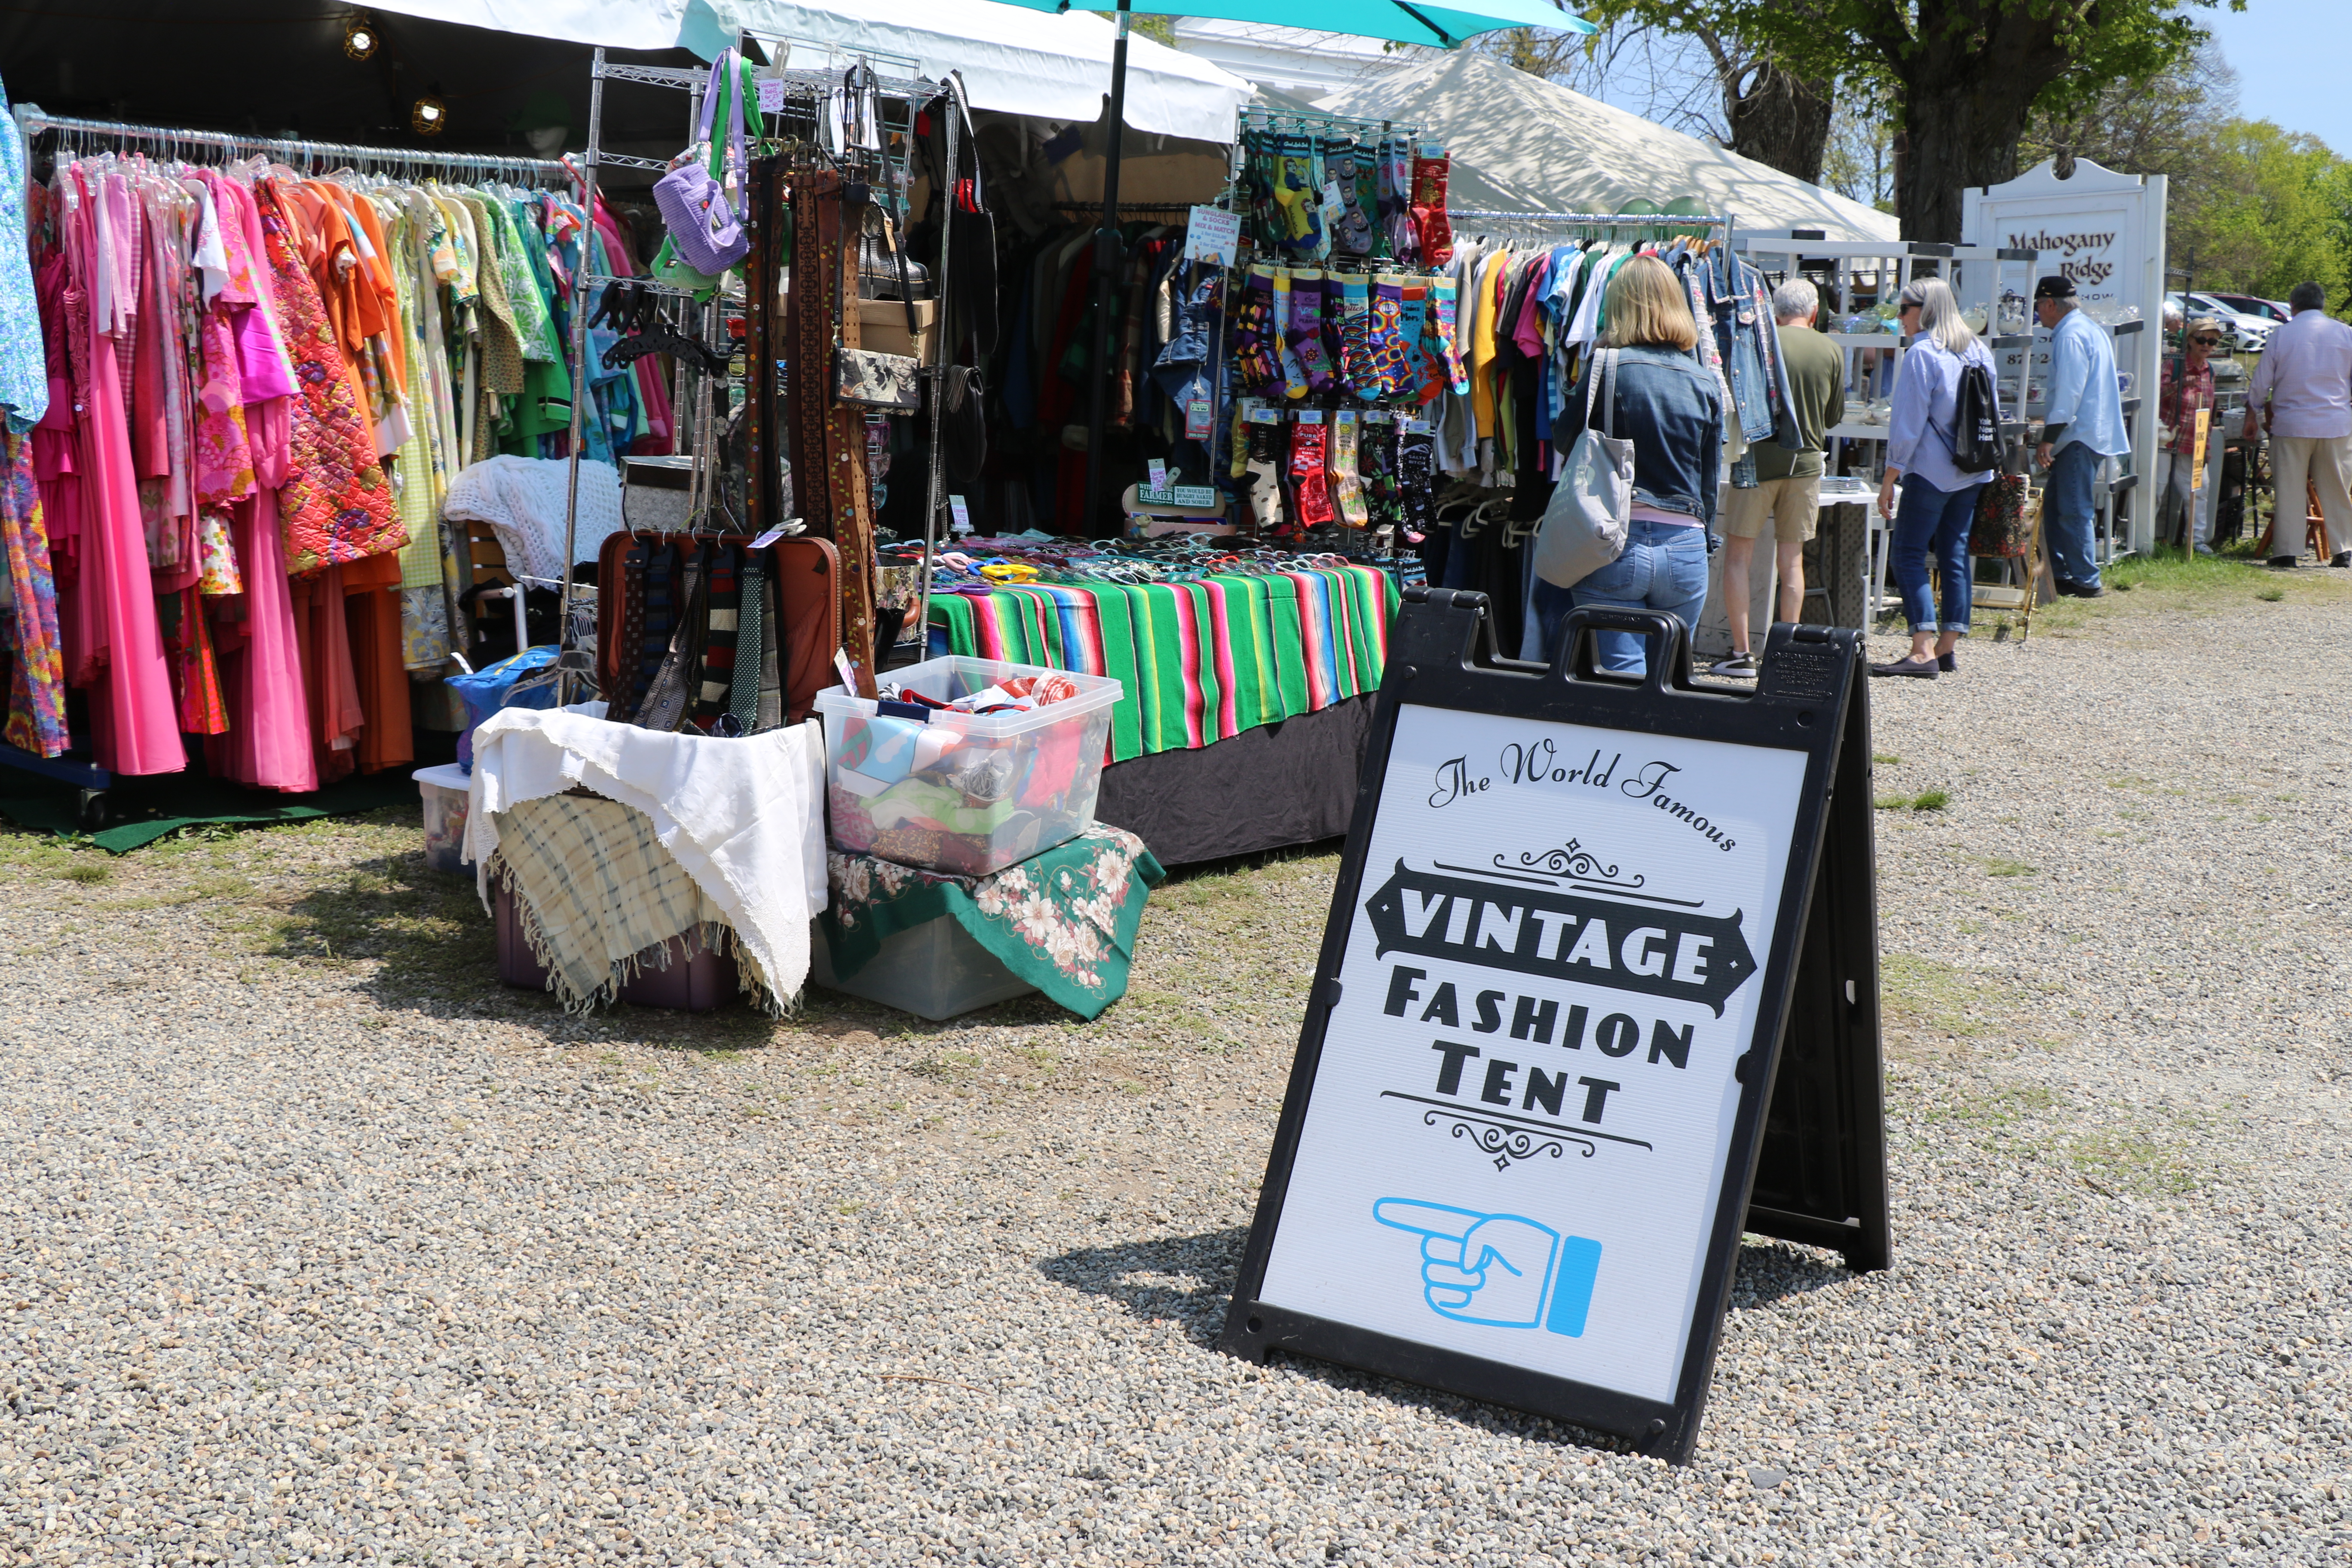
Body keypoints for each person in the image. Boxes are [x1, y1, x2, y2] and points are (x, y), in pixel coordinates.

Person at [1536, 253, 1723, 677]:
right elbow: (1709, 479)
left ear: (1619, 306)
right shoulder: (1705, 380)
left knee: (1622, 678)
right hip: (1687, 546)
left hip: (1613, 541)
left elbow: (1566, 439)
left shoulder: (1608, 367)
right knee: (1673, 679)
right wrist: (1706, 538)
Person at [1712, 278, 1845, 678]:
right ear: (1815, 312)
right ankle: (1785, 652)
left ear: (1774, 310)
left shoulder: (1760, 342)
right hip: (1804, 464)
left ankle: (1741, 653)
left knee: (1738, 556)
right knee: (1792, 562)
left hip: (1756, 459)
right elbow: (1834, 417)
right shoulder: (1831, 349)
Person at [1872, 278, 2000, 680]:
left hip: (1932, 470)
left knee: (1908, 554)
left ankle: (1922, 648)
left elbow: (1908, 423)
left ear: (1924, 310)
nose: (1899, 317)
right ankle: (1946, 647)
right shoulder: (1979, 349)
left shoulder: (1924, 354)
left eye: (1904, 308)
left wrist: (1890, 475)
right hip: (1974, 468)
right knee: (1955, 554)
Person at [2033, 275, 2130, 597]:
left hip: (2079, 434)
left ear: (2050, 304)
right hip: (2087, 430)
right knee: (2059, 507)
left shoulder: (2071, 335)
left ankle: (2087, 579)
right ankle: (2062, 573)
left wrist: (2049, 436)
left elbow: (2069, 393)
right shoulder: (2087, 328)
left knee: (2074, 509)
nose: (2038, 314)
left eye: (2038, 307)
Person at [2247, 280, 2352, 568]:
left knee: (2290, 487)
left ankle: (2287, 550)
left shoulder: (2282, 335)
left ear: (2293, 307)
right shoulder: (2345, 333)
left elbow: (2262, 382)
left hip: (2292, 422)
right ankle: (2343, 549)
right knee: (2337, 487)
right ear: (2323, 304)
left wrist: (2254, 410)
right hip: (2335, 422)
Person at [2157, 315, 2223, 555]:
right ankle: (2143, 540)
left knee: (2199, 488)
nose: (2207, 345)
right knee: (2157, 488)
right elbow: (2157, 394)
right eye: (2202, 340)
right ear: (2190, 340)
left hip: (2192, 440)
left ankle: (2195, 541)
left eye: (2213, 342)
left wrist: (2206, 446)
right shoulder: (2174, 363)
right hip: (2165, 437)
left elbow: (2209, 410)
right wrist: (2181, 384)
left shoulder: (2210, 370)